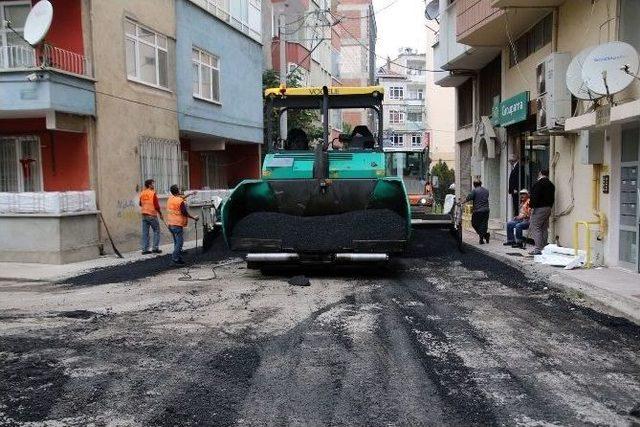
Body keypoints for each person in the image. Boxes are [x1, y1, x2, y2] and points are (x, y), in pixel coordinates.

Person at [166, 184, 199, 265]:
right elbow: (184, 213)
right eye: (179, 189)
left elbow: (182, 197)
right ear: (178, 191)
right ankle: (175, 259)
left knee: (176, 243)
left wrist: (190, 194)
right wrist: (194, 218)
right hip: (177, 224)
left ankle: (178, 258)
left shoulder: (170, 199)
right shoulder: (180, 201)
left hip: (170, 224)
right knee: (180, 243)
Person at [528, 169, 555, 255]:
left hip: (539, 208)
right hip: (548, 208)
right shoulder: (551, 184)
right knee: (544, 228)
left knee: (535, 227)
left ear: (540, 174)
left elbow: (534, 197)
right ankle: (543, 248)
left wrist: (531, 206)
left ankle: (538, 249)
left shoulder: (538, 184)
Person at [139, 179, 163, 255]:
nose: (153, 185)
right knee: (156, 231)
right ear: (149, 185)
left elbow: (140, 203)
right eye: (153, 184)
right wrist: (160, 214)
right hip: (152, 215)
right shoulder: (153, 193)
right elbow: (156, 206)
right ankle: (155, 248)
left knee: (145, 233)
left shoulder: (142, 193)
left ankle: (145, 249)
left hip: (144, 215)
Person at [464, 179, 490, 244]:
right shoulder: (486, 191)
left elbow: (468, 198)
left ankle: (483, 236)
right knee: (484, 224)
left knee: (474, 224)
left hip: (478, 211)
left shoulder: (474, 191)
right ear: (481, 184)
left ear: (474, 184)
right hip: (486, 210)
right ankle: (484, 236)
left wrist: (462, 202)